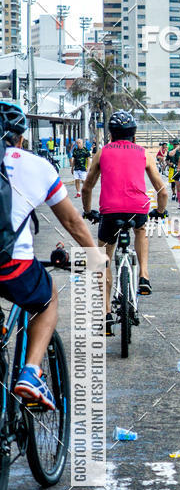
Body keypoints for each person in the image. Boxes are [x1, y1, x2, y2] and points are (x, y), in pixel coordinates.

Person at [0, 102, 100, 409]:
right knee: (47, 299)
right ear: (20, 138)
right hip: (12, 265)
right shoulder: (37, 166)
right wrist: (94, 257)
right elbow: (71, 221)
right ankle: (30, 373)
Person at [82, 111, 167, 333]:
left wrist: (88, 211)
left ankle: (106, 313)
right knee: (141, 230)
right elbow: (161, 189)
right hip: (137, 209)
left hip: (110, 212)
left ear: (111, 133)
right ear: (134, 133)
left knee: (103, 260)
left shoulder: (102, 153)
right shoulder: (144, 153)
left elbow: (87, 186)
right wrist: (160, 210)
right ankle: (144, 276)